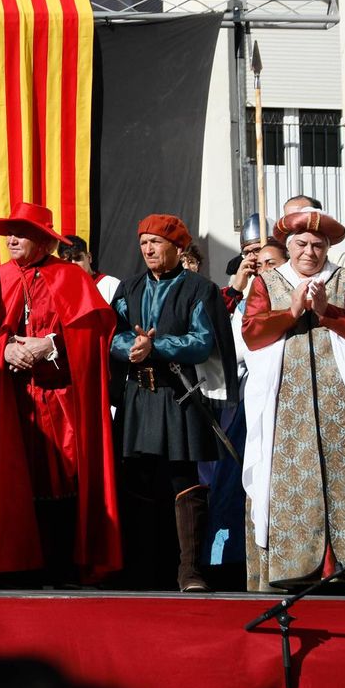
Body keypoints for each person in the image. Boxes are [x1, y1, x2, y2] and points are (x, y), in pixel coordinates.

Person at [0, 202, 120, 586]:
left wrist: (50, 345)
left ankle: (62, 564)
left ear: (44, 241)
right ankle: (17, 565)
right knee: (14, 475)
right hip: (10, 402)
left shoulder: (70, 277)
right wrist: (5, 347)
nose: (12, 239)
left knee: (64, 474)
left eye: (22, 232)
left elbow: (94, 334)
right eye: (9, 232)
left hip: (60, 396)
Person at [240, 209, 345, 591]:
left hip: (343, 401)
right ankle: (293, 567)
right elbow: (251, 332)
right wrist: (293, 310)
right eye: (301, 244)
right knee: (290, 476)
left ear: (328, 247)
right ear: (288, 246)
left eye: (317, 245)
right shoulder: (267, 282)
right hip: (286, 403)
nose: (309, 252)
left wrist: (326, 311)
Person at [108, 214, 237, 592]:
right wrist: (130, 347)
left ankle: (189, 571)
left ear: (177, 247)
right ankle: (142, 568)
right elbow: (111, 335)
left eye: (156, 242)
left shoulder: (200, 289)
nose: (148, 249)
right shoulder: (128, 289)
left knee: (183, 479)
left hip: (179, 397)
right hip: (137, 397)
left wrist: (156, 346)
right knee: (137, 479)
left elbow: (202, 341)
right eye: (143, 242)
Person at [58, 235, 119, 306]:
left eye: (78, 258)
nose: (73, 264)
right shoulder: (60, 293)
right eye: (68, 261)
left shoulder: (110, 285)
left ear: (89, 257)